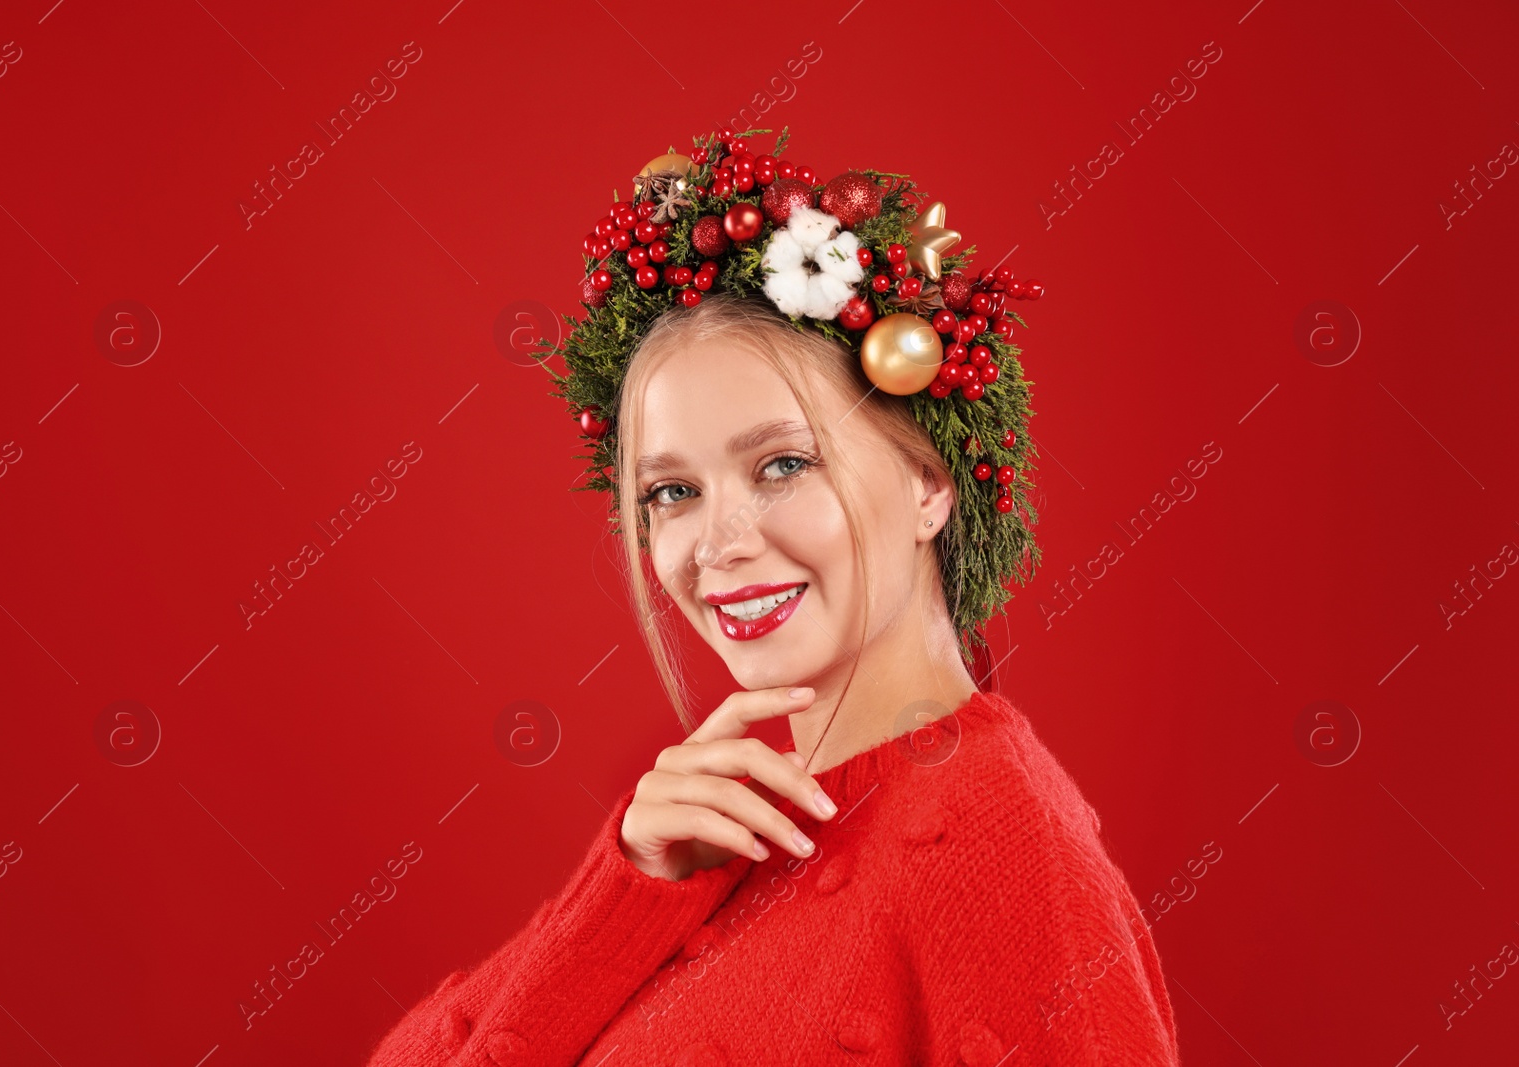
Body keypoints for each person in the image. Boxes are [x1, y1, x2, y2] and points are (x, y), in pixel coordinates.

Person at [363, 129, 1180, 1066]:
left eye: (783, 464)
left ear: (929, 483)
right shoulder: (711, 837)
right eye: (673, 491)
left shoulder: (1000, 845)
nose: (717, 544)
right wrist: (624, 894)